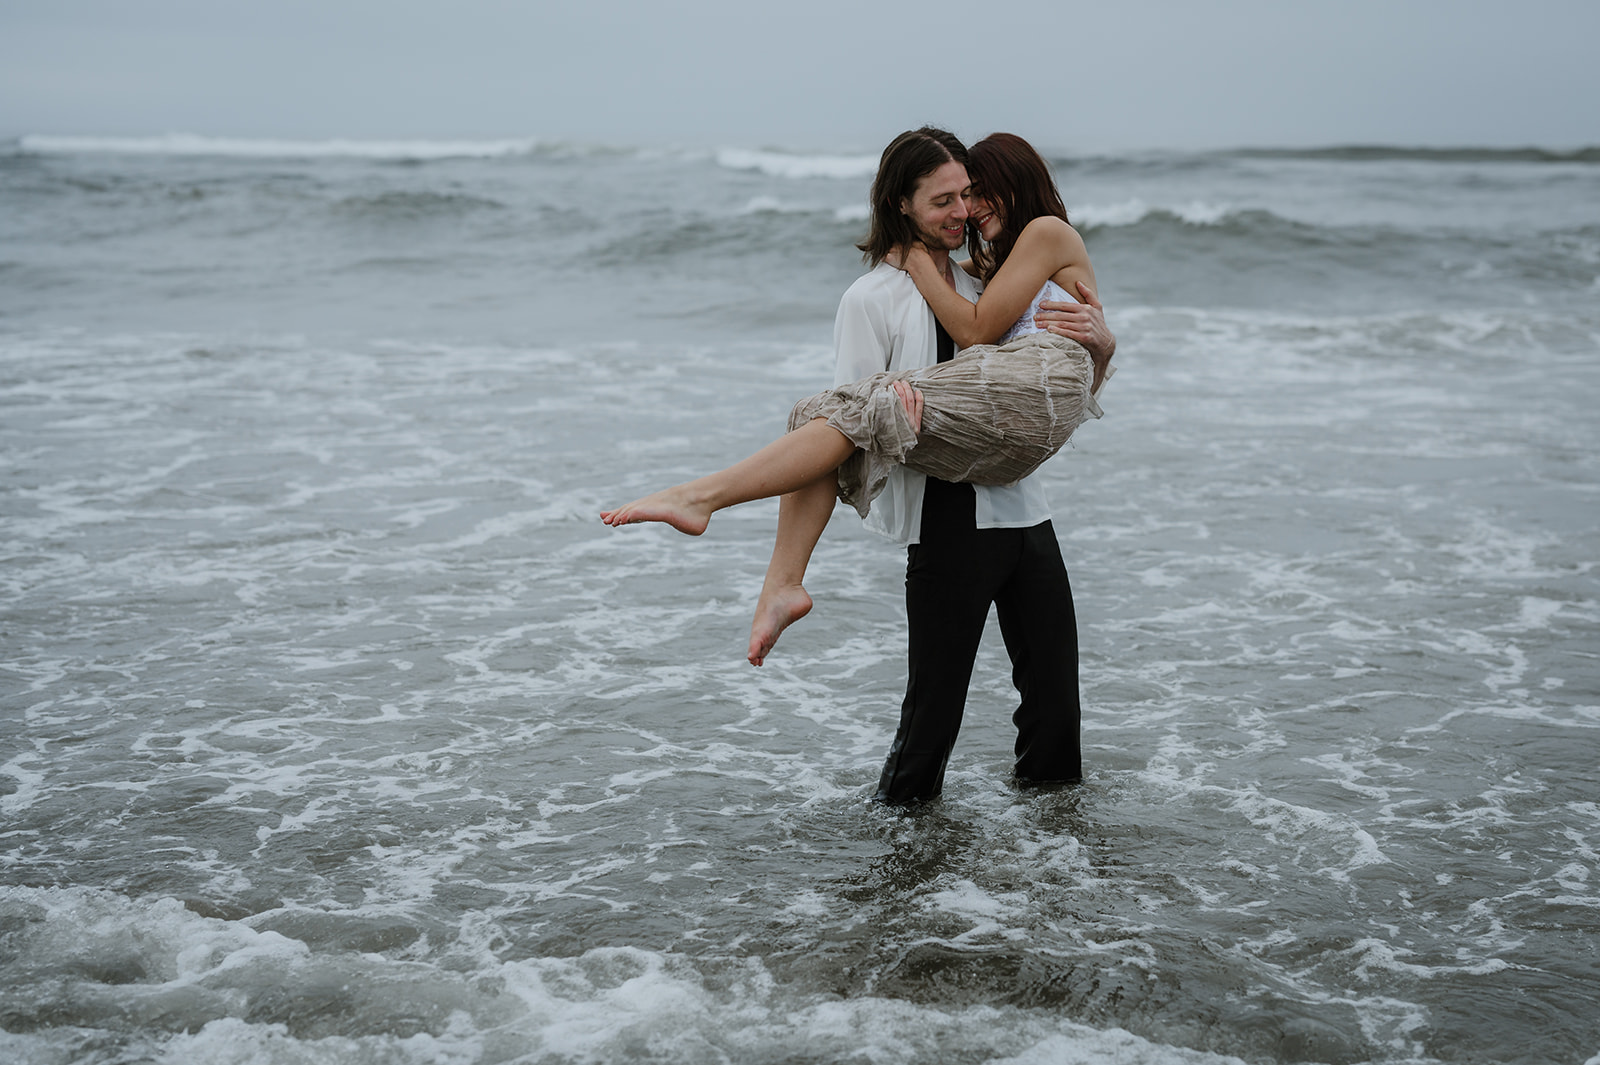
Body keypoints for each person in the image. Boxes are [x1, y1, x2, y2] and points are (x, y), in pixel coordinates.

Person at [602, 127, 1115, 802]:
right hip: (946, 520)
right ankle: (900, 863)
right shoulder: (869, 298)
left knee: (1056, 709)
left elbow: (1043, 390)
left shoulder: (985, 277)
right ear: (901, 204)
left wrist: (1102, 346)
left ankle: (1056, 855)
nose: (961, 212)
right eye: (942, 200)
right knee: (932, 717)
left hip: (1026, 513)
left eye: (966, 196)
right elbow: (839, 426)